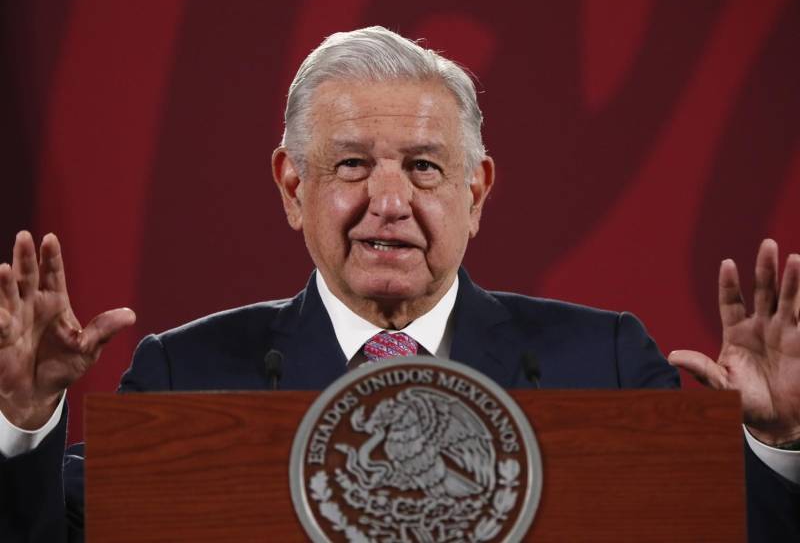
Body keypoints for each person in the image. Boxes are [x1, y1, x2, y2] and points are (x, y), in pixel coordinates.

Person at [0, 27, 798, 542]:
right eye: (352, 164)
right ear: (291, 186)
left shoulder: (606, 361)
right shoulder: (187, 374)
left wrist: (777, 445)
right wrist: (24, 425)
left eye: (423, 167)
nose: (390, 200)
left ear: (477, 191)